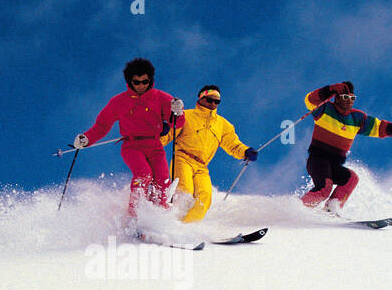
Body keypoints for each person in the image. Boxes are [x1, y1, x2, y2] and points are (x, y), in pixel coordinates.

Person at [73, 58, 183, 216]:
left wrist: (178, 112)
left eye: (145, 81)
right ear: (129, 81)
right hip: (132, 146)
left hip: (154, 145)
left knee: (163, 181)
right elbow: (102, 126)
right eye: (136, 82)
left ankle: (159, 219)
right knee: (143, 175)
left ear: (150, 80)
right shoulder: (119, 102)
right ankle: (135, 217)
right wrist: (86, 139)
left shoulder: (161, 97)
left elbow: (176, 123)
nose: (141, 86)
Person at [299, 82, 392, 211]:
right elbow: (310, 100)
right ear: (336, 98)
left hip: (335, 164)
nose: (349, 101)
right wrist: (329, 89)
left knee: (351, 179)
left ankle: (330, 210)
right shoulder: (325, 109)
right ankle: (296, 211)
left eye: (352, 98)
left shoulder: (357, 118)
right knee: (324, 189)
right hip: (318, 160)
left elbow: (377, 127)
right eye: (345, 97)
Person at [161, 85, 256, 223]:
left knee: (205, 196)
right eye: (210, 100)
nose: (213, 104)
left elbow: (233, 145)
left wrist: (246, 152)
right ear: (201, 98)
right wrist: (160, 132)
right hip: (183, 159)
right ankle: (171, 223)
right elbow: (167, 136)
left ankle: (187, 227)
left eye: (216, 101)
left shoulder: (222, 125)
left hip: (201, 166)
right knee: (184, 191)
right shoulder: (186, 116)